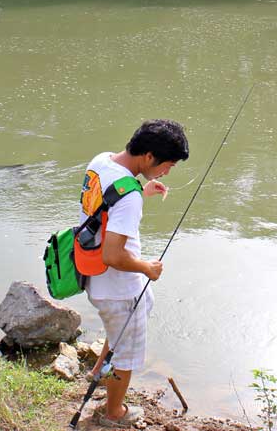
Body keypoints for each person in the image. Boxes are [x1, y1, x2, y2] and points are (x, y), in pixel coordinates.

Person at [83, 119, 189, 427]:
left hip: (94, 278)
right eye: (167, 166)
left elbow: (103, 210)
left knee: (120, 332)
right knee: (127, 355)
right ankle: (113, 414)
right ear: (149, 157)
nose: (167, 173)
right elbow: (113, 254)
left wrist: (140, 191)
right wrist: (147, 268)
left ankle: (98, 371)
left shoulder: (101, 162)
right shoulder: (128, 195)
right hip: (117, 288)